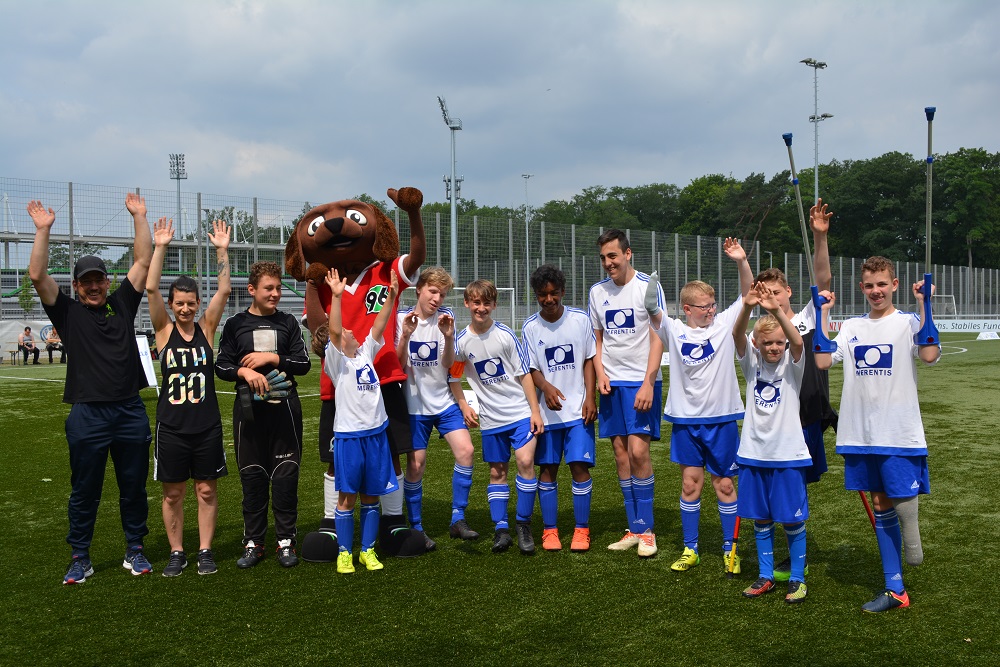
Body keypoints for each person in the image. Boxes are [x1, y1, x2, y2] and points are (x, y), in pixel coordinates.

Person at [27, 194, 154, 585]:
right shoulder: (66, 311)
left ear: (106, 281)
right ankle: (80, 556)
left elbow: (144, 261)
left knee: (133, 487)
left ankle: (135, 549)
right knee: (85, 491)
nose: (95, 286)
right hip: (87, 414)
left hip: (129, 410)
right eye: (87, 282)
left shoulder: (122, 304)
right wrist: (44, 230)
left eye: (99, 279)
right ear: (77, 286)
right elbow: (36, 275)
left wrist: (140, 217)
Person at [815, 256, 940, 613]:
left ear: (895, 285)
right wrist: (823, 313)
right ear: (861, 288)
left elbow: (929, 354)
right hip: (860, 432)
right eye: (869, 285)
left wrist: (924, 304)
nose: (875, 291)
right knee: (881, 503)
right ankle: (895, 587)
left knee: (899, 497)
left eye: (882, 284)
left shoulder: (909, 322)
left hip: (898, 430)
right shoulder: (853, 326)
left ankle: (912, 542)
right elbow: (823, 361)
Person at [645, 238, 753, 573]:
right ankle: (690, 548)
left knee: (724, 484)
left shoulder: (723, 325)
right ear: (687, 309)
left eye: (712, 304)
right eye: (703, 306)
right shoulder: (673, 330)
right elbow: (652, 309)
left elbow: (748, 294)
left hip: (721, 421)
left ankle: (729, 549)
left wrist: (741, 260)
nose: (710, 310)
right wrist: (650, 287)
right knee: (691, 484)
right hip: (686, 422)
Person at [754, 199, 837, 581]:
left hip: (810, 416)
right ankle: (785, 556)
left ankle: (794, 555)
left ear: (788, 291)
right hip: (776, 424)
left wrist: (820, 238)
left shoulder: (806, 317)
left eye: (777, 291)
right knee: (784, 489)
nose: (772, 298)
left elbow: (822, 282)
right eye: (765, 292)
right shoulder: (763, 332)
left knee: (797, 489)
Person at [147, 217, 231, 576]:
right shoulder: (163, 330)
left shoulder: (206, 328)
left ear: (197, 303)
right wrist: (161, 247)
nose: (185, 309)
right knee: (173, 494)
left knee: (207, 491)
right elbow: (150, 289)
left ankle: (206, 551)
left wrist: (222, 251)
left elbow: (224, 291)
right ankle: (178, 552)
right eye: (179, 303)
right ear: (171, 304)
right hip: (172, 427)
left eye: (190, 303)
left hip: (206, 425)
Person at [216, 261, 311, 569]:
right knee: (253, 476)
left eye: (278, 288)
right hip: (249, 413)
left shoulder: (288, 323)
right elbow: (221, 366)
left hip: (284, 409)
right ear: (252, 290)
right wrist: (243, 370)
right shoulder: (235, 324)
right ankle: (254, 543)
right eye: (268, 288)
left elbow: (303, 363)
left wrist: (273, 357)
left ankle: (285, 542)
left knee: (285, 476)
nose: (275, 294)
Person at [732, 282, 813, 603]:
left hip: (788, 456)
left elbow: (797, 340)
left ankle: (796, 578)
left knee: (792, 519)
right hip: (753, 455)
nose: (775, 348)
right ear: (757, 343)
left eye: (779, 342)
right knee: (761, 519)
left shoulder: (792, 366)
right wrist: (748, 307)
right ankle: (766, 576)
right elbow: (738, 335)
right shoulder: (751, 364)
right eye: (768, 343)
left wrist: (777, 311)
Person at [451, 279, 543, 555]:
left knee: (526, 462)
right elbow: (454, 376)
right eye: (476, 303)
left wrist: (535, 412)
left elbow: (524, 374)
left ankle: (523, 526)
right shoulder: (461, 342)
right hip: (491, 419)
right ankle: (501, 529)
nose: (481, 308)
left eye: (486, 303)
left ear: (494, 304)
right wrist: (463, 405)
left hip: (519, 413)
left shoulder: (505, 335)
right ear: (467, 303)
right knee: (497, 472)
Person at [589, 229, 664, 557]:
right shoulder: (596, 292)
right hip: (612, 384)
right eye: (603, 258)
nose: (608, 263)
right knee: (620, 454)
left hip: (641, 382)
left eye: (613, 256)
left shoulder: (648, 286)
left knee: (638, 453)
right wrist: (601, 374)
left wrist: (648, 381)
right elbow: (597, 338)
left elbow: (659, 336)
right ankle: (633, 527)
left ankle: (647, 531)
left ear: (628, 253)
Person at [323, 268, 400, 573]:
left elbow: (379, 324)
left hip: (376, 435)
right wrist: (338, 297)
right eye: (347, 332)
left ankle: (367, 551)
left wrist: (392, 295)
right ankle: (345, 553)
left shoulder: (365, 352)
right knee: (347, 497)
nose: (351, 332)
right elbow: (333, 330)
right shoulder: (337, 361)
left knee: (371, 497)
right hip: (350, 437)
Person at [396, 267, 479, 547]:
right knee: (416, 466)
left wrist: (447, 337)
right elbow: (397, 366)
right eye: (433, 291)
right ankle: (416, 527)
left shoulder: (447, 317)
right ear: (419, 289)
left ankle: (457, 518)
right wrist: (405, 336)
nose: (437, 298)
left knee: (466, 451)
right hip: (414, 406)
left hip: (444, 403)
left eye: (442, 294)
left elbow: (447, 365)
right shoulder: (400, 318)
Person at [522, 265, 597, 552]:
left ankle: (581, 530)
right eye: (543, 294)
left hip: (579, 411)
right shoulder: (530, 327)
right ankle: (550, 531)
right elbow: (530, 369)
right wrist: (546, 387)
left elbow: (589, 360)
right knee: (548, 469)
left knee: (579, 467)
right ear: (536, 296)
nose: (549, 299)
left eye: (554, 293)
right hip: (547, 415)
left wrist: (591, 397)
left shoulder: (580, 320)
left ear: (563, 292)